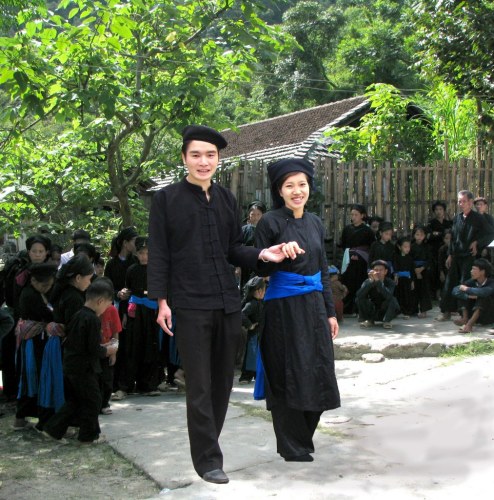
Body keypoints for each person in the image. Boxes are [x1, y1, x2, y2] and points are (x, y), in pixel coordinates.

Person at [147, 124, 288, 484]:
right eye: (196, 155)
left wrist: (262, 254)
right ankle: (208, 459)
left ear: (218, 159)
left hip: (227, 301)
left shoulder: (226, 198)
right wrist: (162, 301)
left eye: (210, 155)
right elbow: (159, 253)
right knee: (199, 384)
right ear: (184, 158)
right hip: (189, 303)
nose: (203, 161)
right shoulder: (166, 200)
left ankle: (209, 446)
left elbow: (233, 250)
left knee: (223, 382)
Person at [254, 157, 340, 463]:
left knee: (319, 370)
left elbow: (323, 269)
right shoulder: (270, 222)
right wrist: (274, 254)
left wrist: (330, 312)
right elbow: (259, 268)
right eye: (289, 185)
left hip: (314, 306)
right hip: (283, 308)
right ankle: (292, 446)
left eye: (302, 184)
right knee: (286, 372)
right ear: (279, 191)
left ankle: (302, 438)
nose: (297, 191)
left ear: (309, 187)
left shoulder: (315, 222)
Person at [42, 278, 118, 444]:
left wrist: (102, 347)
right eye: (107, 305)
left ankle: (53, 429)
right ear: (100, 301)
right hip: (83, 368)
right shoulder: (92, 319)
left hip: (72, 364)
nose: (106, 309)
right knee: (93, 400)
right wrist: (109, 350)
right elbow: (93, 349)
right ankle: (88, 436)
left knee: (77, 400)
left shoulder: (78, 315)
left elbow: (82, 342)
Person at [13, 262, 58, 431]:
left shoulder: (41, 292)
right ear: (33, 281)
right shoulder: (29, 295)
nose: (47, 288)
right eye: (44, 285)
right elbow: (47, 314)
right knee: (31, 377)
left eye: (49, 285)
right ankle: (23, 418)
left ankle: (30, 417)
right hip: (33, 341)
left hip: (40, 340)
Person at [436, 190, 492, 321]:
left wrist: (477, 242)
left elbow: (490, 234)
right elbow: (453, 238)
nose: (461, 204)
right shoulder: (457, 218)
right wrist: (450, 254)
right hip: (456, 255)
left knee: (465, 283)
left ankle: (464, 315)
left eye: (464, 201)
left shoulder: (479, 218)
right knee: (449, 283)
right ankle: (446, 311)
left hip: (469, 256)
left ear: (471, 202)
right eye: (459, 201)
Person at [125, 236, 161, 396]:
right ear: (136, 254)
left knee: (150, 345)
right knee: (134, 345)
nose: (144, 256)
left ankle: (149, 384)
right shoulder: (132, 270)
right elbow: (128, 290)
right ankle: (128, 383)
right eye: (141, 253)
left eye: (147, 253)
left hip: (152, 311)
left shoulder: (157, 270)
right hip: (136, 311)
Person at [105, 226, 138, 401]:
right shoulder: (112, 264)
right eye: (133, 242)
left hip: (133, 309)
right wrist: (118, 293)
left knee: (130, 347)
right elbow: (107, 287)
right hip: (116, 308)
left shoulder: (136, 261)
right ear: (125, 243)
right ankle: (117, 384)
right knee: (118, 345)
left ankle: (129, 383)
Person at [340, 204, 375, 314]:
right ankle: (348, 309)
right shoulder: (347, 229)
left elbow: (371, 247)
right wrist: (351, 254)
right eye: (352, 215)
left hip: (362, 262)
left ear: (362, 215)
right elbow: (344, 244)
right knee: (348, 283)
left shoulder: (367, 231)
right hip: (349, 261)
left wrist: (359, 254)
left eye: (356, 215)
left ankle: (360, 309)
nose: (353, 217)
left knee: (360, 283)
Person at [452, 259, 494, 333]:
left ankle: (469, 325)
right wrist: (468, 296)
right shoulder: (472, 281)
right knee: (463, 294)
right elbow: (455, 290)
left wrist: (467, 289)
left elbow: (485, 292)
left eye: (474, 269)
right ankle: (465, 319)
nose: (471, 271)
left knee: (482, 296)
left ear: (482, 272)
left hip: (488, 315)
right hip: (474, 314)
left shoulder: (491, 282)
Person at [356, 260, 400, 329]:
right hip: (372, 309)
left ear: (385, 271)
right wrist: (370, 283)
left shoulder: (390, 282)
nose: (378, 272)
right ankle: (369, 320)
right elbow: (359, 295)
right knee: (359, 299)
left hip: (384, 310)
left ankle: (387, 321)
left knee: (393, 300)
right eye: (376, 270)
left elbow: (388, 296)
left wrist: (378, 282)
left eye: (381, 270)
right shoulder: (368, 281)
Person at [238, 276, 266, 385]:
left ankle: (256, 374)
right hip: (254, 334)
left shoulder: (260, 302)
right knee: (251, 354)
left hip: (260, 333)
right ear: (259, 291)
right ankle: (246, 375)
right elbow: (241, 314)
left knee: (257, 354)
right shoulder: (252, 304)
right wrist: (250, 325)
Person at [99, 303, 121, 415]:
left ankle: (105, 404)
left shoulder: (112, 309)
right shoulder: (89, 310)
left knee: (107, 380)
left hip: (108, 350)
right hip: (94, 350)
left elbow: (116, 332)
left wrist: (114, 353)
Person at [427, 201, 452, 298]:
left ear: (444, 210)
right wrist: (441, 234)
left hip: (448, 251)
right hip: (435, 250)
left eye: (440, 209)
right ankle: (436, 294)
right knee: (436, 271)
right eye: (436, 209)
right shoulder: (431, 223)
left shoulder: (448, 223)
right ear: (434, 211)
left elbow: (451, 235)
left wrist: (438, 234)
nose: (438, 211)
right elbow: (429, 236)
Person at [239, 201, 267, 289]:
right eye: (253, 214)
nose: (256, 218)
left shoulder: (268, 230)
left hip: (263, 266)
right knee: (246, 289)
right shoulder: (243, 230)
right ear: (249, 216)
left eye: (258, 214)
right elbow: (237, 248)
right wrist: (237, 267)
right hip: (246, 266)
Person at [411, 225, 433, 318]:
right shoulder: (411, 246)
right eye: (417, 234)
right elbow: (409, 259)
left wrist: (422, 268)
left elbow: (430, 260)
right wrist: (416, 270)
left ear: (425, 236)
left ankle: (424, 310)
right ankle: (413, 310)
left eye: (421, 235)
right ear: (414, 235)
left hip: (424, 270)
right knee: (414, 290)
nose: (419, 237)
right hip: (413, 270)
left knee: (424, 290)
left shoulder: (427, 247)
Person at [393, 236, 415, 318]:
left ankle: (407, 312)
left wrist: (412, 281)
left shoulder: (410, 258)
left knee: (407, 296)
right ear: (399, 247)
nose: (407, 249)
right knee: (399, 295)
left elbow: (412, 270)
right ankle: (398, 311)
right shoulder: (396, 257)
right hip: (399, 279)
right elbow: (395, 267)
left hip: (407, 280)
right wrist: (395, 275)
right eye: (405, 247)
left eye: (408, 247)